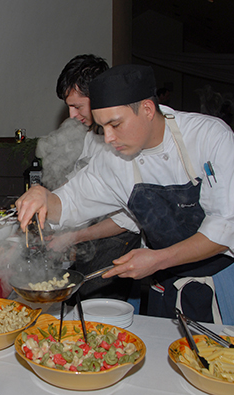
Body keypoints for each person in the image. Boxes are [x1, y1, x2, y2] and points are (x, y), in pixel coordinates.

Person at [17, 64, 234, 328]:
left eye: (115, 124)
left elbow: (228, 227)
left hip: (224, 285)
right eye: (102, 127)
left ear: (147, 109)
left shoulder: (209, 137)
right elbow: (71, 202)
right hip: (166, 288)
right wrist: (43, 197)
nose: (107, 138)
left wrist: (158, 259)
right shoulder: (114, 160)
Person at [42, 54, 142, 303]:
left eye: (77, 105)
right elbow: (77, 185)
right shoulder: (91, 137)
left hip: (120, 244)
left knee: (95, 309)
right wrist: (45, 203)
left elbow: (127, 221)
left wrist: (73, 237)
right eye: (68, 106)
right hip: (96, 240)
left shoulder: (124, 144)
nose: (72, 115)